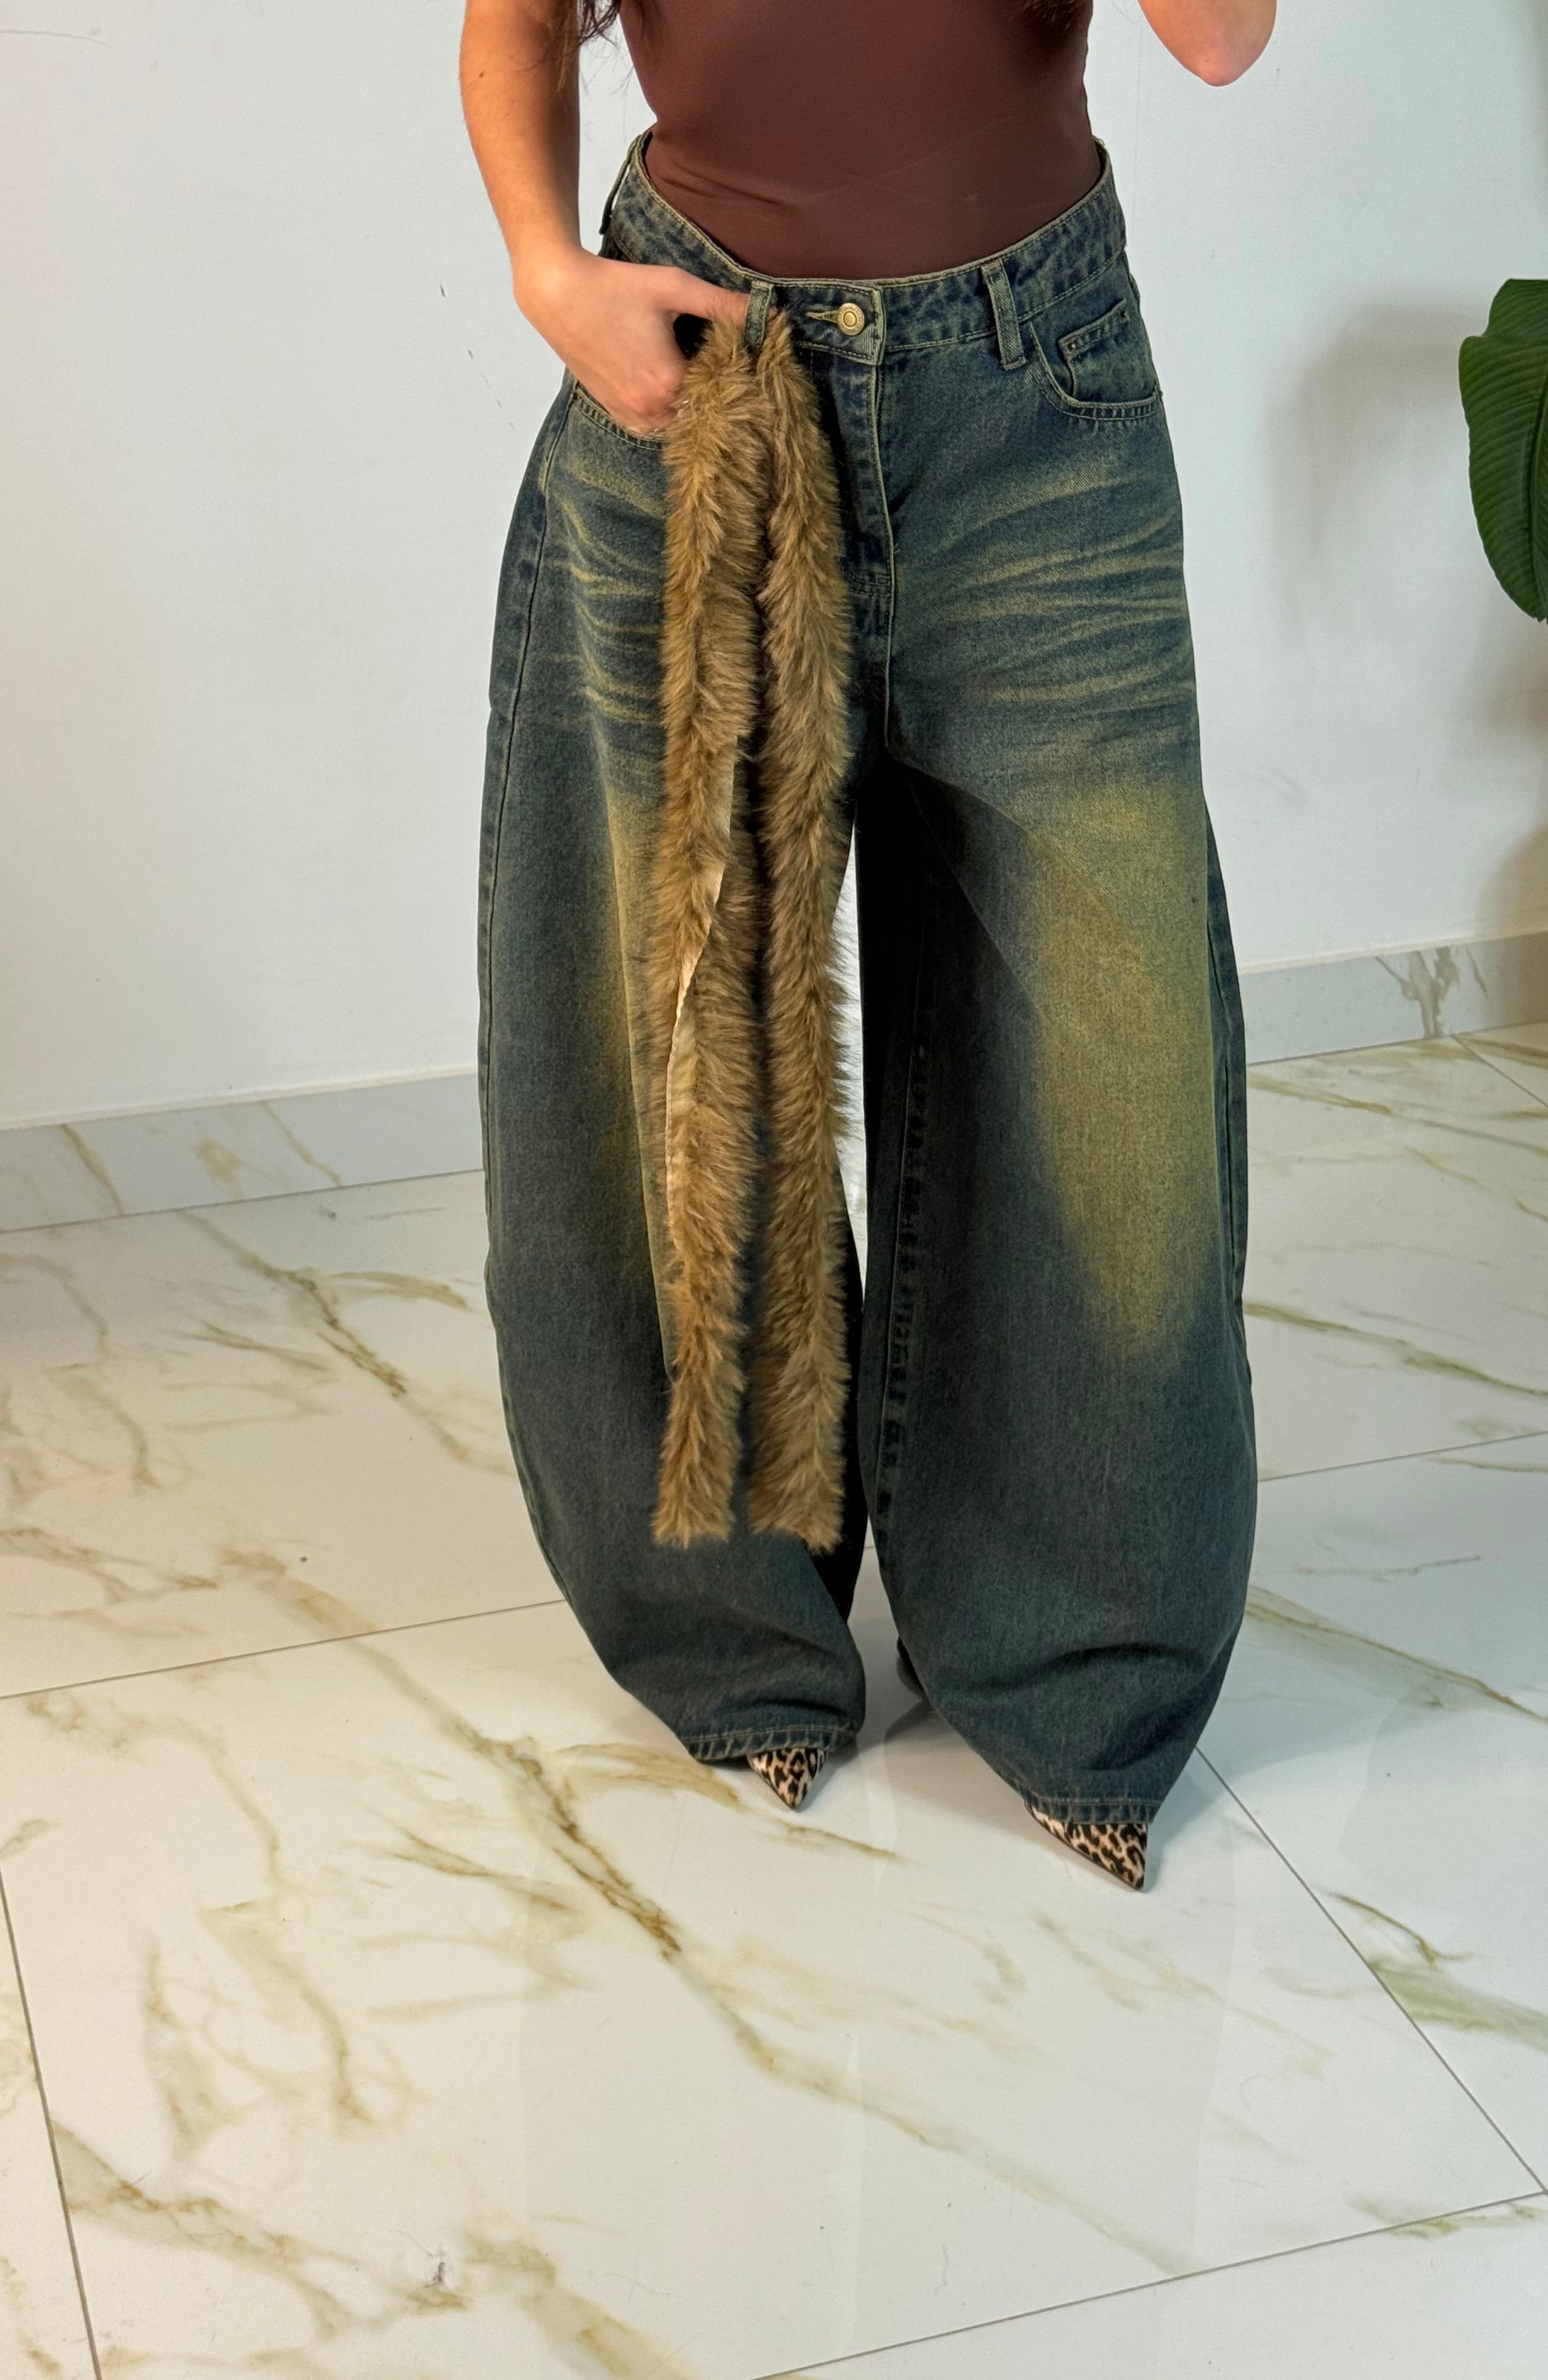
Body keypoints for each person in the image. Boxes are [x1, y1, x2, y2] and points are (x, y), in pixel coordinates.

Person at [460, 0, 1273, 1892]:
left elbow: (1223, 41)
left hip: (1038, 392)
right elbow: (518, 25)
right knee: (687, 1033)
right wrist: (546, 273)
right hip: (700, 374)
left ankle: (1080, 1669)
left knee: (1109, 1060)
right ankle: (733, 1636)